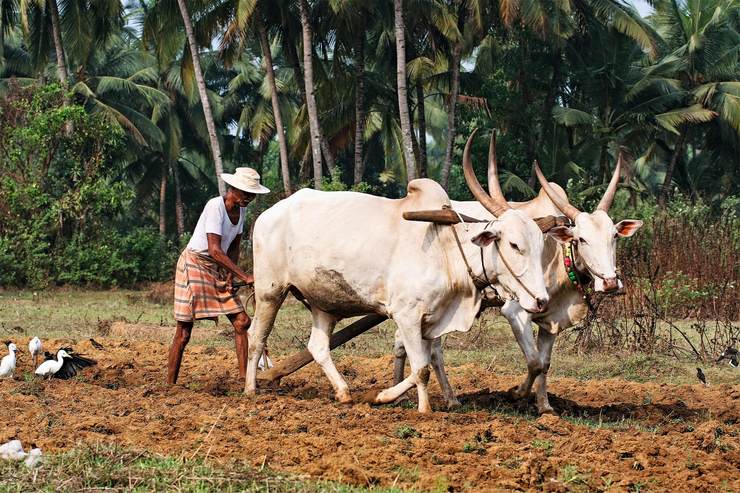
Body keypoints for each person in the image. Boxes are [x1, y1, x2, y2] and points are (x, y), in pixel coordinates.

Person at [167, 167, 269, 384]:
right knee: (184, 332)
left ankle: (244, 381)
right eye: (246, 193)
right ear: (234, 188)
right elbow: (214, 249)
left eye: (253, 195)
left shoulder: (241, 211)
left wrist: (231, 277)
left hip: (217, 267)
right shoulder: (215, 206)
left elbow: (234, 247)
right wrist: (245, 276)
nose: (249, 198)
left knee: (242, 322)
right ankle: (169, 385)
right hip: (195, 262)